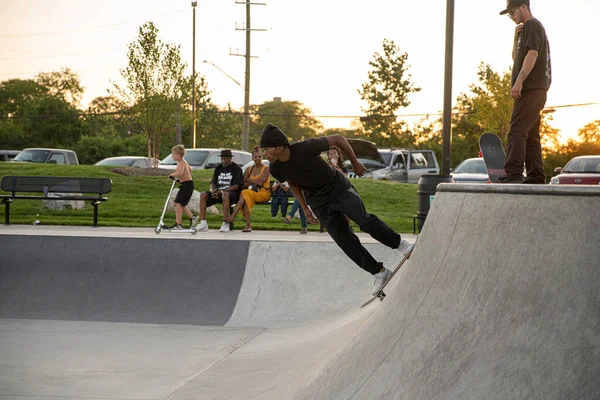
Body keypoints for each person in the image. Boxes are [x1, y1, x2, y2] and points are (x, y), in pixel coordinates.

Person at [260, 123, 414, 295]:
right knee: (343, 240)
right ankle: (379, 272)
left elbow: (339, 138)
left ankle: (401, 244)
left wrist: (354, 162)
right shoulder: (275, 168)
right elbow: (293, 183)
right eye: (263, 150)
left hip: (338, 189)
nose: (265, 154)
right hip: (318, 202)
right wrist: (305, 208)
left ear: (281, 146)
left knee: (364, 221)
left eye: (267, 149)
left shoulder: (306, 147)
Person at [499, 0, 551, 184]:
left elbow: (532, 55)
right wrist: (516, 39)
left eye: (512, 12)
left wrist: (519, 81)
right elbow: (517, 58)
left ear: (523, 7)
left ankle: (513, 173)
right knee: (530, 133)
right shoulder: (525, 30)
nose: (512, 17)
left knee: (517, 129)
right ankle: (536, 176)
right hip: (535, 89)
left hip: (530, 88)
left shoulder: (532, 25)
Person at [191, 149, 243, 232]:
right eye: (222, 158)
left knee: (225, 194)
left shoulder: (236, 169)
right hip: (218, 193)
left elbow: (236, 186)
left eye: (225, 159)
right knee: (203, 195)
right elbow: (213, 182)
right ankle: (203, 223)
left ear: (230, 158)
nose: (223, 161)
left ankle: (225, 223)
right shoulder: (218, 168)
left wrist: (222, 191)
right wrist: (212, 191)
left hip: (232, 194)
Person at [223, 147, 271, 232]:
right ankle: (247, 226)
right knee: (245, 196)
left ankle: (233, 216)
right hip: (251, 192)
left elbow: (260, 184)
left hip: (263, 193)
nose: (257, 159)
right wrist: (254, 182)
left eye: (259, 157)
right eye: (255, 157)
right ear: (252, 158)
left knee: (245, 194)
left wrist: (249, 180)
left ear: (262, 157)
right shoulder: (249, 169)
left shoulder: (266, 169)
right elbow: (243, 183)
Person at [168, 145, 198, 230]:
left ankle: (178, 224)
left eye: (173, 154)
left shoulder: (181, 162)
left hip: (187, 185)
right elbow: (190, 170)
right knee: (181, 204)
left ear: (178, 155)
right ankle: (192, 217)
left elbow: (180, 173)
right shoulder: (183, 162)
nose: (172, 155)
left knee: (177, 203)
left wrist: (171, 175)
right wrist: (182, 179)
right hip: (187, 184)